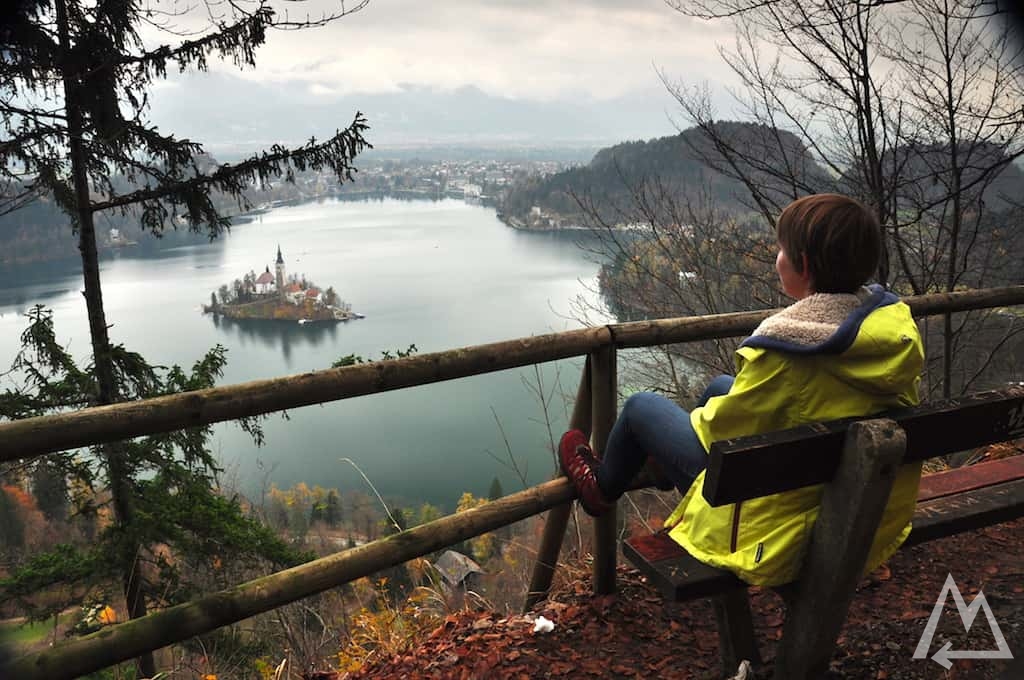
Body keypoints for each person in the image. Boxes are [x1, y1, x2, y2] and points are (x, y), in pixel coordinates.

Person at [559, 193, 925, 586]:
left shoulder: (792, 351)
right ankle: (662, 464)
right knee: (720, 386)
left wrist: (676, 431)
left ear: (803, 265)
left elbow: (720, 432)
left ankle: (601, 489)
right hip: (844, 493)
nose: (776, 257)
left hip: (772, 511)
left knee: (640, 408)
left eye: (782, 250)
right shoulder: (888, 337)